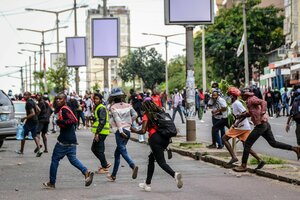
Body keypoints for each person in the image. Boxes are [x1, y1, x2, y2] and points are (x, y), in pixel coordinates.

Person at [233, 90, 300, 172]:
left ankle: (243, 166)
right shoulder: (250, 101)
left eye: (242, 96)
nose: (241, 97)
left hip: (260, 126)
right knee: (273, 143)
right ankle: (294, 149)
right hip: (265, 124)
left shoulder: (251, 99)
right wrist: (242, 115)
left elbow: (263, 102)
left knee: (247, 144)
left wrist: (263, 111)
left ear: (245, 95)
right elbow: (252, 112)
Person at [43, 93, 94, 189]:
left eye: (60, 99)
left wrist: (60, 122)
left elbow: (72, 121)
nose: (58, 100)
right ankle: (86, 172)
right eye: (57, 99)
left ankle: (52, 182)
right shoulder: (65, 109)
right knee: (73, 159)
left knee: (55, 160)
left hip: (64, 141)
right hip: (71, 140)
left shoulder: (65, 109)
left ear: (65, 99)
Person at [131, 99, 183, 192]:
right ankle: (147, 184)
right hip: (165, 139)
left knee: (161, 162)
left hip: (155, 139)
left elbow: (143, 131)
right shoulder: (160, 111)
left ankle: (174, 174)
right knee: (151, 159)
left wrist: (134, 130)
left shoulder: (147, 115)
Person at [222, 87, 264, 169]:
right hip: (244, 127)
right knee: (246, 146)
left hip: (240, 127)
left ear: (232, 96)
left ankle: (234, 157)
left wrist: (236, 123)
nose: (227, 97)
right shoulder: (234, 104)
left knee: (224, 138)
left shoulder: (237, 103)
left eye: (228, 95)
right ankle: (260, 160)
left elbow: (244, 113)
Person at [106, 88, 139, 182]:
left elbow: (117, 120)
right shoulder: (128, 105)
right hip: (127, 130)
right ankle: (113, 175)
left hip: (120, 132)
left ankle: (132, 165)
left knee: (122, 149)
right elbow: (135, 115)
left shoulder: (113, 107)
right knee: (117, 153)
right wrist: (128, 123)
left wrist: (120, 130)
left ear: (113, 98)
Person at [16, 92, 43, 157]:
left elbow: (33, 113)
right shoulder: (33, 101)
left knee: (23, 135)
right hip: (35, 120)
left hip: (30, 121)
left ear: (29, 96)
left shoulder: (28, 103)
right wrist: (36, 116)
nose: (23, 96)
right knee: (34, 135)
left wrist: (24, 118)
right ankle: (39, 150)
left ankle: (21, 151)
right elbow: (39, 110)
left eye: (25, 95)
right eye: (23, 95)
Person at [91, 93, 111, 174]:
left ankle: (105, 167)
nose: (96, 100)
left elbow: (102, 122)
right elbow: (99, 119)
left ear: (100, 99)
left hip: (101, 132)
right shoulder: (98, 107)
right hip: (100, 132)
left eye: (97, 99)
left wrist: (97, 133)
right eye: (95, 99)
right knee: (94, 149)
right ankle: (105, 164)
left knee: (99, 150)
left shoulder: (101, 108)